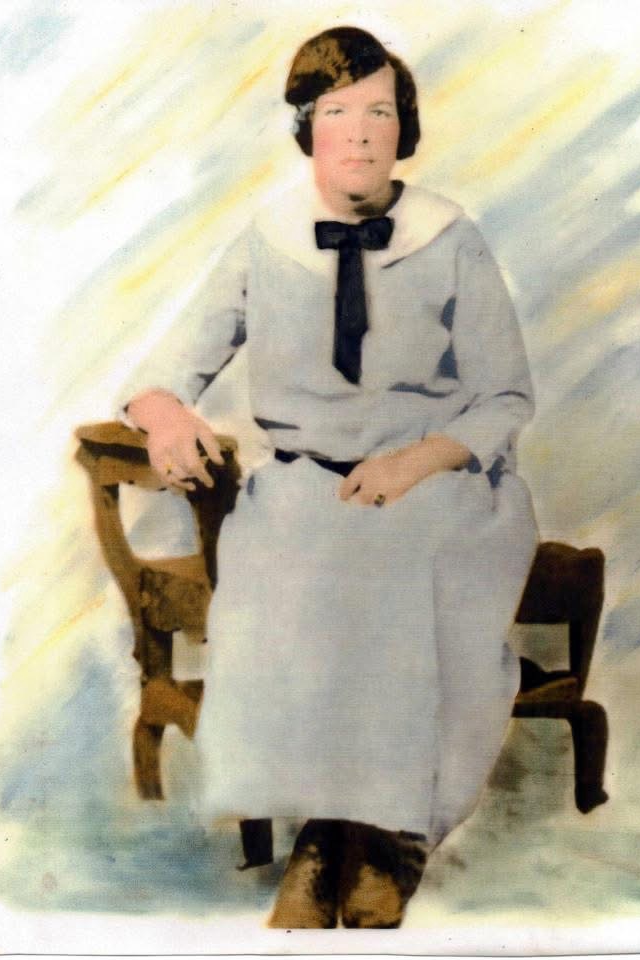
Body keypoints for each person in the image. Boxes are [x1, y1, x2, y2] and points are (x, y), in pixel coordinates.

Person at [121, 26, 538, 928]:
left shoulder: (450, 237)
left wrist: (414, 460)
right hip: (307, 485)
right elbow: (163, 372)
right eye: (336, 111)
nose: (358, 132)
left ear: (404, 128)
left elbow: (505, 396)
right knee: (296, 557)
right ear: (305, 126)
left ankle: (389, 839)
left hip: (436, 486)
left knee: (392, 556)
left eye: (379, 112)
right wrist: (166, 415)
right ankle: (327, 831)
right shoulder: (266, 239)